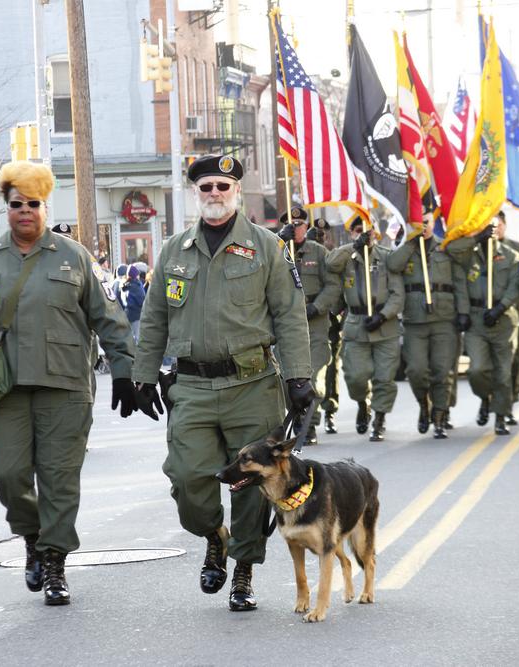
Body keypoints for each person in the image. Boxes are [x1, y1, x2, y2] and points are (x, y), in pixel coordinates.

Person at [0, 160, 138, 606]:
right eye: (17, 203)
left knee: (59, 479)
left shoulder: (74, 256)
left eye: (33, 204)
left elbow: (111, 319)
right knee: (8, 474)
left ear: (44, 205)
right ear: (7, 207)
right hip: (7, 389)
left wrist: (123, 372)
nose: (25, 211)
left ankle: (55, 562)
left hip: (65, 388)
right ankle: (32, 537)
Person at [132, 154, 313, 612]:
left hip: (251, 385)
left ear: (237, 191)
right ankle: (215, 536)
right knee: (188, 478)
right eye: (206, 187)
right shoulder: (175, 249)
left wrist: (298, 378)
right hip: (191, 386)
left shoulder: (267, 246)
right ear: (196, 192)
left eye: (222, 186)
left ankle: (244, 571)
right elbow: (153, 319)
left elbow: (290, 317)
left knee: (251, 486)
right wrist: (142, 375)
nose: (214, 194)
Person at [388, 213, 467, 438]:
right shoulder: (407, 248)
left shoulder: (446, 248)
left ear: (434, 224)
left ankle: (440, 416)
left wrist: (463, 312)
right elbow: (392, 265)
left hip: (444, 319)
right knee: (416, 370)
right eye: (418, 222)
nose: (423, 226)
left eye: (427, 222)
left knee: (442, 371)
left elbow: (459, 282)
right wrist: (411, 242)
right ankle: (425, 405)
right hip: (416, 321)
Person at [326, 217, 404, 441]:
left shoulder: (387, 258)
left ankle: (379, 419)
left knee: (384, 377)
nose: (364, 234)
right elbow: (330, 263)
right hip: (356, 326)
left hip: (385, 326)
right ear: (351, 233)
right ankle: (363, 403)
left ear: (376, 233)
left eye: (368, 231)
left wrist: (383, 315)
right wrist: (353, 246)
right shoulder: (347, 259)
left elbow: (398, 294)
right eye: (358, 231)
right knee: (356, 377)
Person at [446, 220, 519, 436]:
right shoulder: (468, 255)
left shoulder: (510, 256)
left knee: (503, 373)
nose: (491, 230)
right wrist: (463, 312)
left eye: (495, 226)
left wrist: (501, 307)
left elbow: (516, 286)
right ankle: (485, 398)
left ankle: (500, 417)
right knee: (477, 370)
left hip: (503, 319)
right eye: (486, 226)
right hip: (476, 319)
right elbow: (450, 251)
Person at [278, 205, 339, 445]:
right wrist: (279, 244)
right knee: (285, 377)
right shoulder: (277, 250)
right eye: (291, 225)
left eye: (300, 225)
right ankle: (297, 418)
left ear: (306, 226)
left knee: (311, 374)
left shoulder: (319, 252)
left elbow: (333, 285)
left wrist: (319, 306)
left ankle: (308, 425)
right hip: (286, 323)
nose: (296, 229)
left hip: (314, 322)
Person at [495, 211, 519, 424]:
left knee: (514, 361)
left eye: (499, 224)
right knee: (493, 364)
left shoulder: (518, 251)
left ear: (505, 225)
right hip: (489, 316)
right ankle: (492, 402)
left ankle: (508, 403)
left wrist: (511, 301)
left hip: (517, 314)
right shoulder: (479, 250)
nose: (495, 228)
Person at [121, 265, 146, 342]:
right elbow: (142, 300)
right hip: (136, 315)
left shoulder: (125, 285)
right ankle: (135, 354)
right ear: (136, 275)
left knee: (128, 337)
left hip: (126, 314)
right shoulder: (137, 286)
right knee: (137, 337)